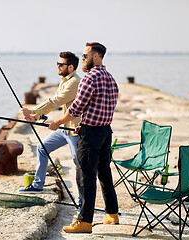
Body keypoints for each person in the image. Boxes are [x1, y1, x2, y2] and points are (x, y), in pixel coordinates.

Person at [48, 42, 119, 233]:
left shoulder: (89, 78)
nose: (83, 59)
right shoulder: (110, 78)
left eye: (85, 56)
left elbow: (76, 108)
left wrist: (58, 123)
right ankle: (112, 213)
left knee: (85, 177)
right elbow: (105, 107)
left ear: (96, 56)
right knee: (104, 173)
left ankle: (85, 221)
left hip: (91, 135)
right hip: (105, 132)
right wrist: (84, 123)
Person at [18, 51, 83, 207]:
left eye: (61, 64)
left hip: (74, 130)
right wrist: (36, 115)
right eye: (57, 64)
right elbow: (54, 102)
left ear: (71, 67)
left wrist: (33, 111)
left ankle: (83, 202)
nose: (58, 67)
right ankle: (37, 185)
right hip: (65, 128)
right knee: (42, 148)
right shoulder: (65, 81)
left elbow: (56, 101)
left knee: (79, 165)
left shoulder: (74, 82)